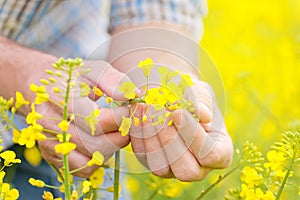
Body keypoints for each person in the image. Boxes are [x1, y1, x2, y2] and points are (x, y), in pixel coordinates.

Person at [0, 0, 233, 199]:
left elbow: (149, 11)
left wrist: (165, 80)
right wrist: (22, 74)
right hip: (48, 106)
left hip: (73, 125)